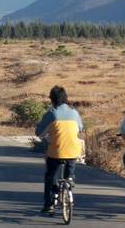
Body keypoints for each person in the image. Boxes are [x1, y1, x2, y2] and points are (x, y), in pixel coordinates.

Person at [35, 86, 83, 215]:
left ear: (52, 100)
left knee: (50, 177)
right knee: (71, 161)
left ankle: (49, 205)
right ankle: (70, 178)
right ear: (66, 98)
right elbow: (80, 128)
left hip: (55, 152)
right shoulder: (74, 113)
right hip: (73, 151)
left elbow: (39, 132)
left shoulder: (51, 114)